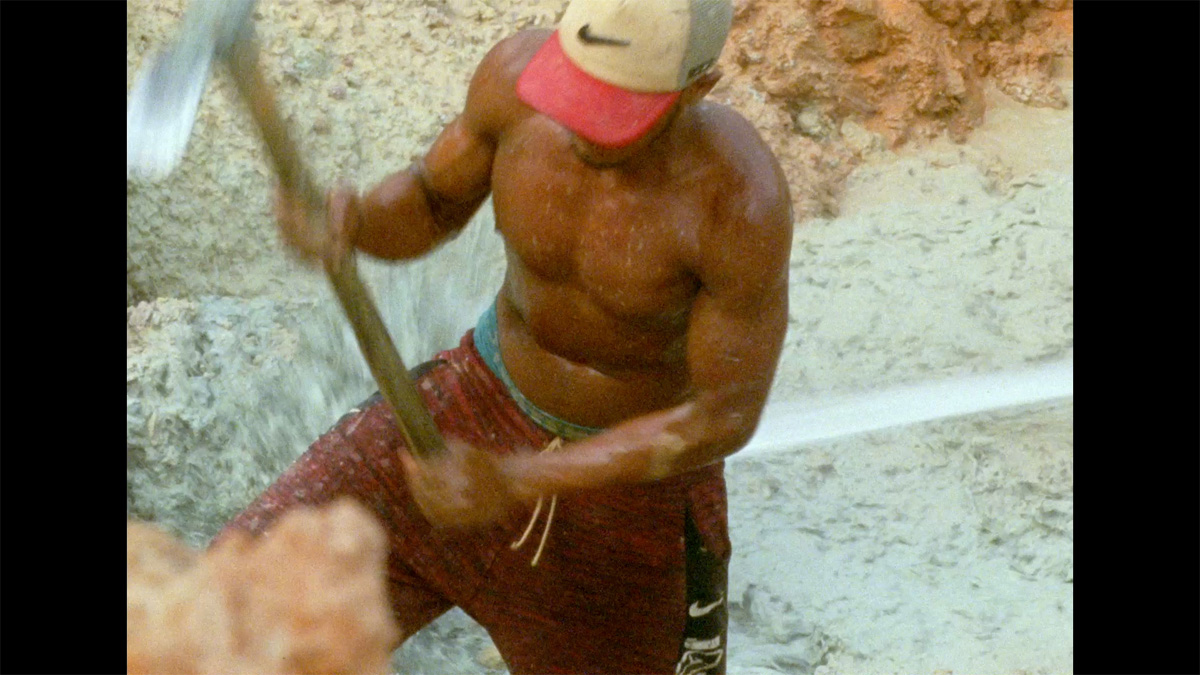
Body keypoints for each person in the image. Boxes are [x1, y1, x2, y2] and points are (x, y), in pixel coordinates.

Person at [218, 0, 792, 672]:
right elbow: (431, 201)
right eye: (575, 90)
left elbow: (721, 416)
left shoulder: (737, 198)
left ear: (697, 89)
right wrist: (356, 225)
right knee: (221, 619)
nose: (579, 123)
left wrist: (521, 478)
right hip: (469, 413)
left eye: (614, 111)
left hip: (628, 493)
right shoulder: (515, 81)